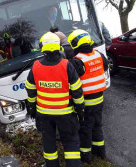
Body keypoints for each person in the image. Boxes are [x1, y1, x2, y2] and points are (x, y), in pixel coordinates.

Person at [25, 32, 84, 167]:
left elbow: (30, 91)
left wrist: (32, 109)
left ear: (42, 47)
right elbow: (77, 91)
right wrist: (80, 110)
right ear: (58, 46)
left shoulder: (35, 66)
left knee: (48, 142)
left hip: (44, 115)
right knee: (70, 143)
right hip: (66, 114)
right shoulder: (67, 65)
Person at [67, 29, 108, 163]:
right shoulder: (99, 55)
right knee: (98, 126)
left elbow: (71, 81)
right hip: (100, 100)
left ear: (75, 43)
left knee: (85, 130)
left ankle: (86, 157)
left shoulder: (76, 61)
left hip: (86, 103)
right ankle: (100, 152)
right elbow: (105, 68)